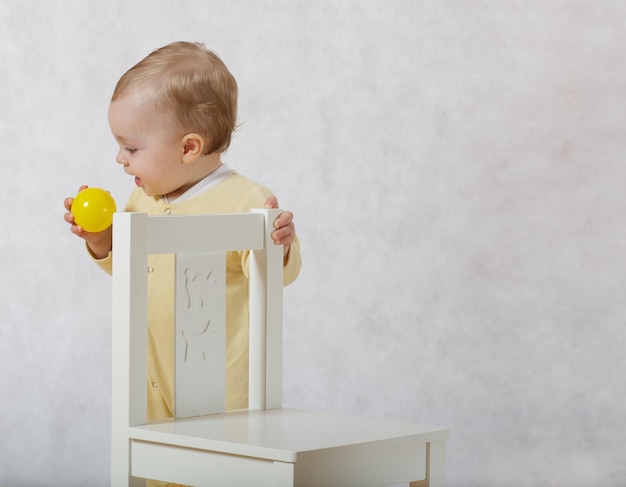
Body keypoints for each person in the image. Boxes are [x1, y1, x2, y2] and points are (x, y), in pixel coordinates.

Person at [63, 40, 301, 465]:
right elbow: (133, 270)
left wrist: (278, 241)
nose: (119, 159)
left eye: (131, 148)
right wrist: (100, 239)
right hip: (152, 388)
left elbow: (275, 277)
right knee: (159, 471)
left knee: (215, 472)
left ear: (189, 148)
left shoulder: (246, 201)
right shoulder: (142, 202)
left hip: (222, 399)